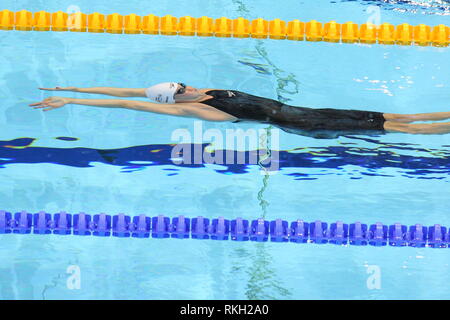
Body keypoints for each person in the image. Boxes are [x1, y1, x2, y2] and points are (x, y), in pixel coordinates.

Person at [30, 82, 450, 139]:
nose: (187, 88)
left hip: (305, 108)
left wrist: (71, 86)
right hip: (301, 122)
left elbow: (130, 88)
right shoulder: (197, 112)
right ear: (173, 102)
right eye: (179, 90)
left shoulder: (204, 90)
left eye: (182, 84)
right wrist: (73, 103)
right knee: (396, 128)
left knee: (394, 116)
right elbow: (127, 101)